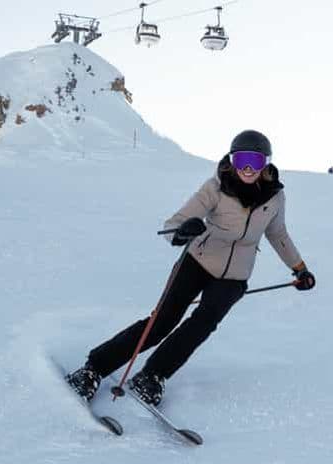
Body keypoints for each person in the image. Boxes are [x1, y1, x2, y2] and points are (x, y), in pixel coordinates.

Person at [66, 130, 316, 405]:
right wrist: (182, 232)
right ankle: (94, 369)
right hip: (196, 262)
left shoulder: (275, 198)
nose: (247, 168)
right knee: (162, 322)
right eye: (241, 159)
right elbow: (175, 223)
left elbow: (278, 234)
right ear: (231, 160)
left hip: (234, 277)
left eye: (254, 161)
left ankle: (153, 375)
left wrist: (299, 268)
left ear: (266, 164)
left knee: (201, 325)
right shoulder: (216, 187)